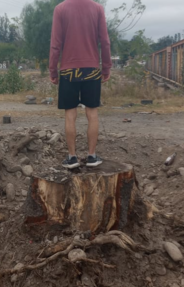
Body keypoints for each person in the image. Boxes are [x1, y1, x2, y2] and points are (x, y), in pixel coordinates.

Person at [49, 0, 112, 169]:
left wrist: (52, 70)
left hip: (68, 71)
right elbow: (105, 41)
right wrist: (106, 67)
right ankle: (91, 157)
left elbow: (55, 45)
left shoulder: (60, 9)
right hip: (91, 70)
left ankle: (72, 158)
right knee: (92, 113)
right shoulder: (98, 8)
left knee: (70, 114)